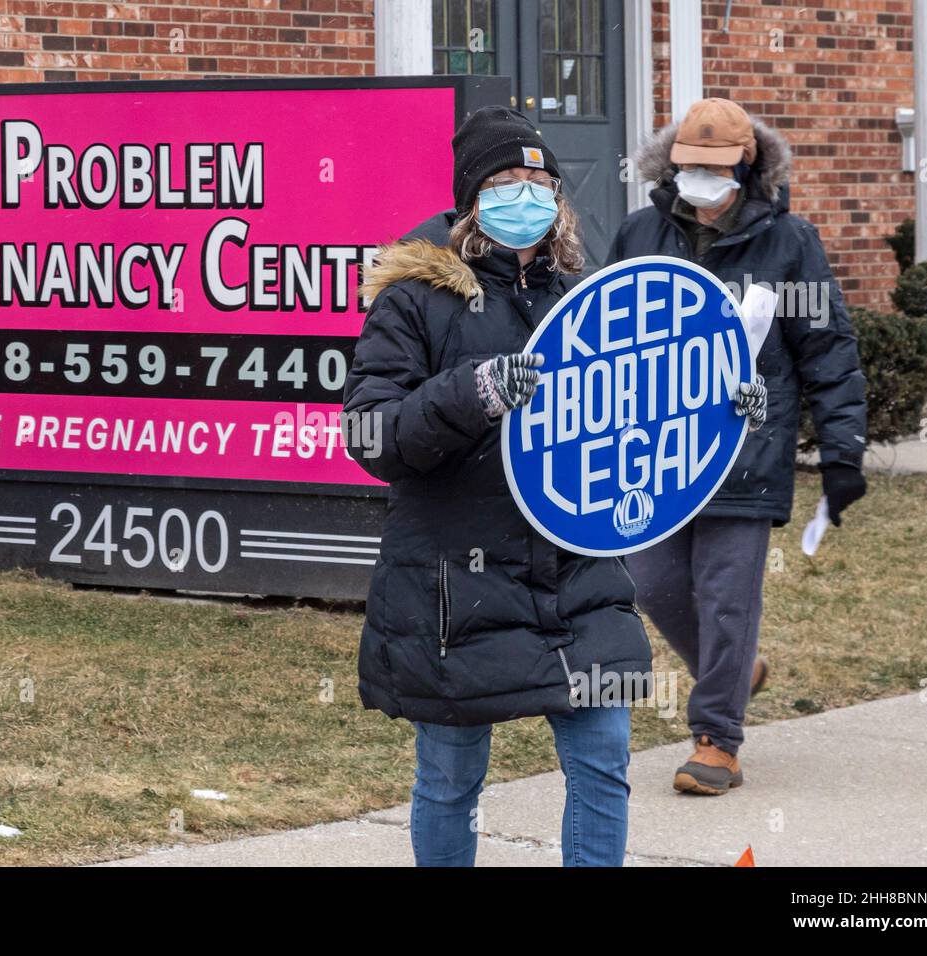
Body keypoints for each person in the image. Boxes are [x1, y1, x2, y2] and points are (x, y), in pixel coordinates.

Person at [341, 106, 654, 866]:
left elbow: (637, 414)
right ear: (471, 200)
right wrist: (473, 391)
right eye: (505, 182)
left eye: (539, 182)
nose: (527, 197)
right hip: (456, 585)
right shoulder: (414, 298)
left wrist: (722, 408)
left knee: (604, 761)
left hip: (576, 574)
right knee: (451, 777)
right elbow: (372, 435)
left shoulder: (581, 298)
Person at [606, 97, 868, 795]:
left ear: (748, 169)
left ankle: (716, 738)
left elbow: (828, 350)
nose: (704, 183)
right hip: (656, 453)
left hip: (745, 449)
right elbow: (604, 338)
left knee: (726, 596)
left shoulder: (791, 242)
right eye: (692, 168)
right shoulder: (639, 234)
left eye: (718, 170)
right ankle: (736, 671)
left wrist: (842, 448)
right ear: (673, 164)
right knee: (650, 581)